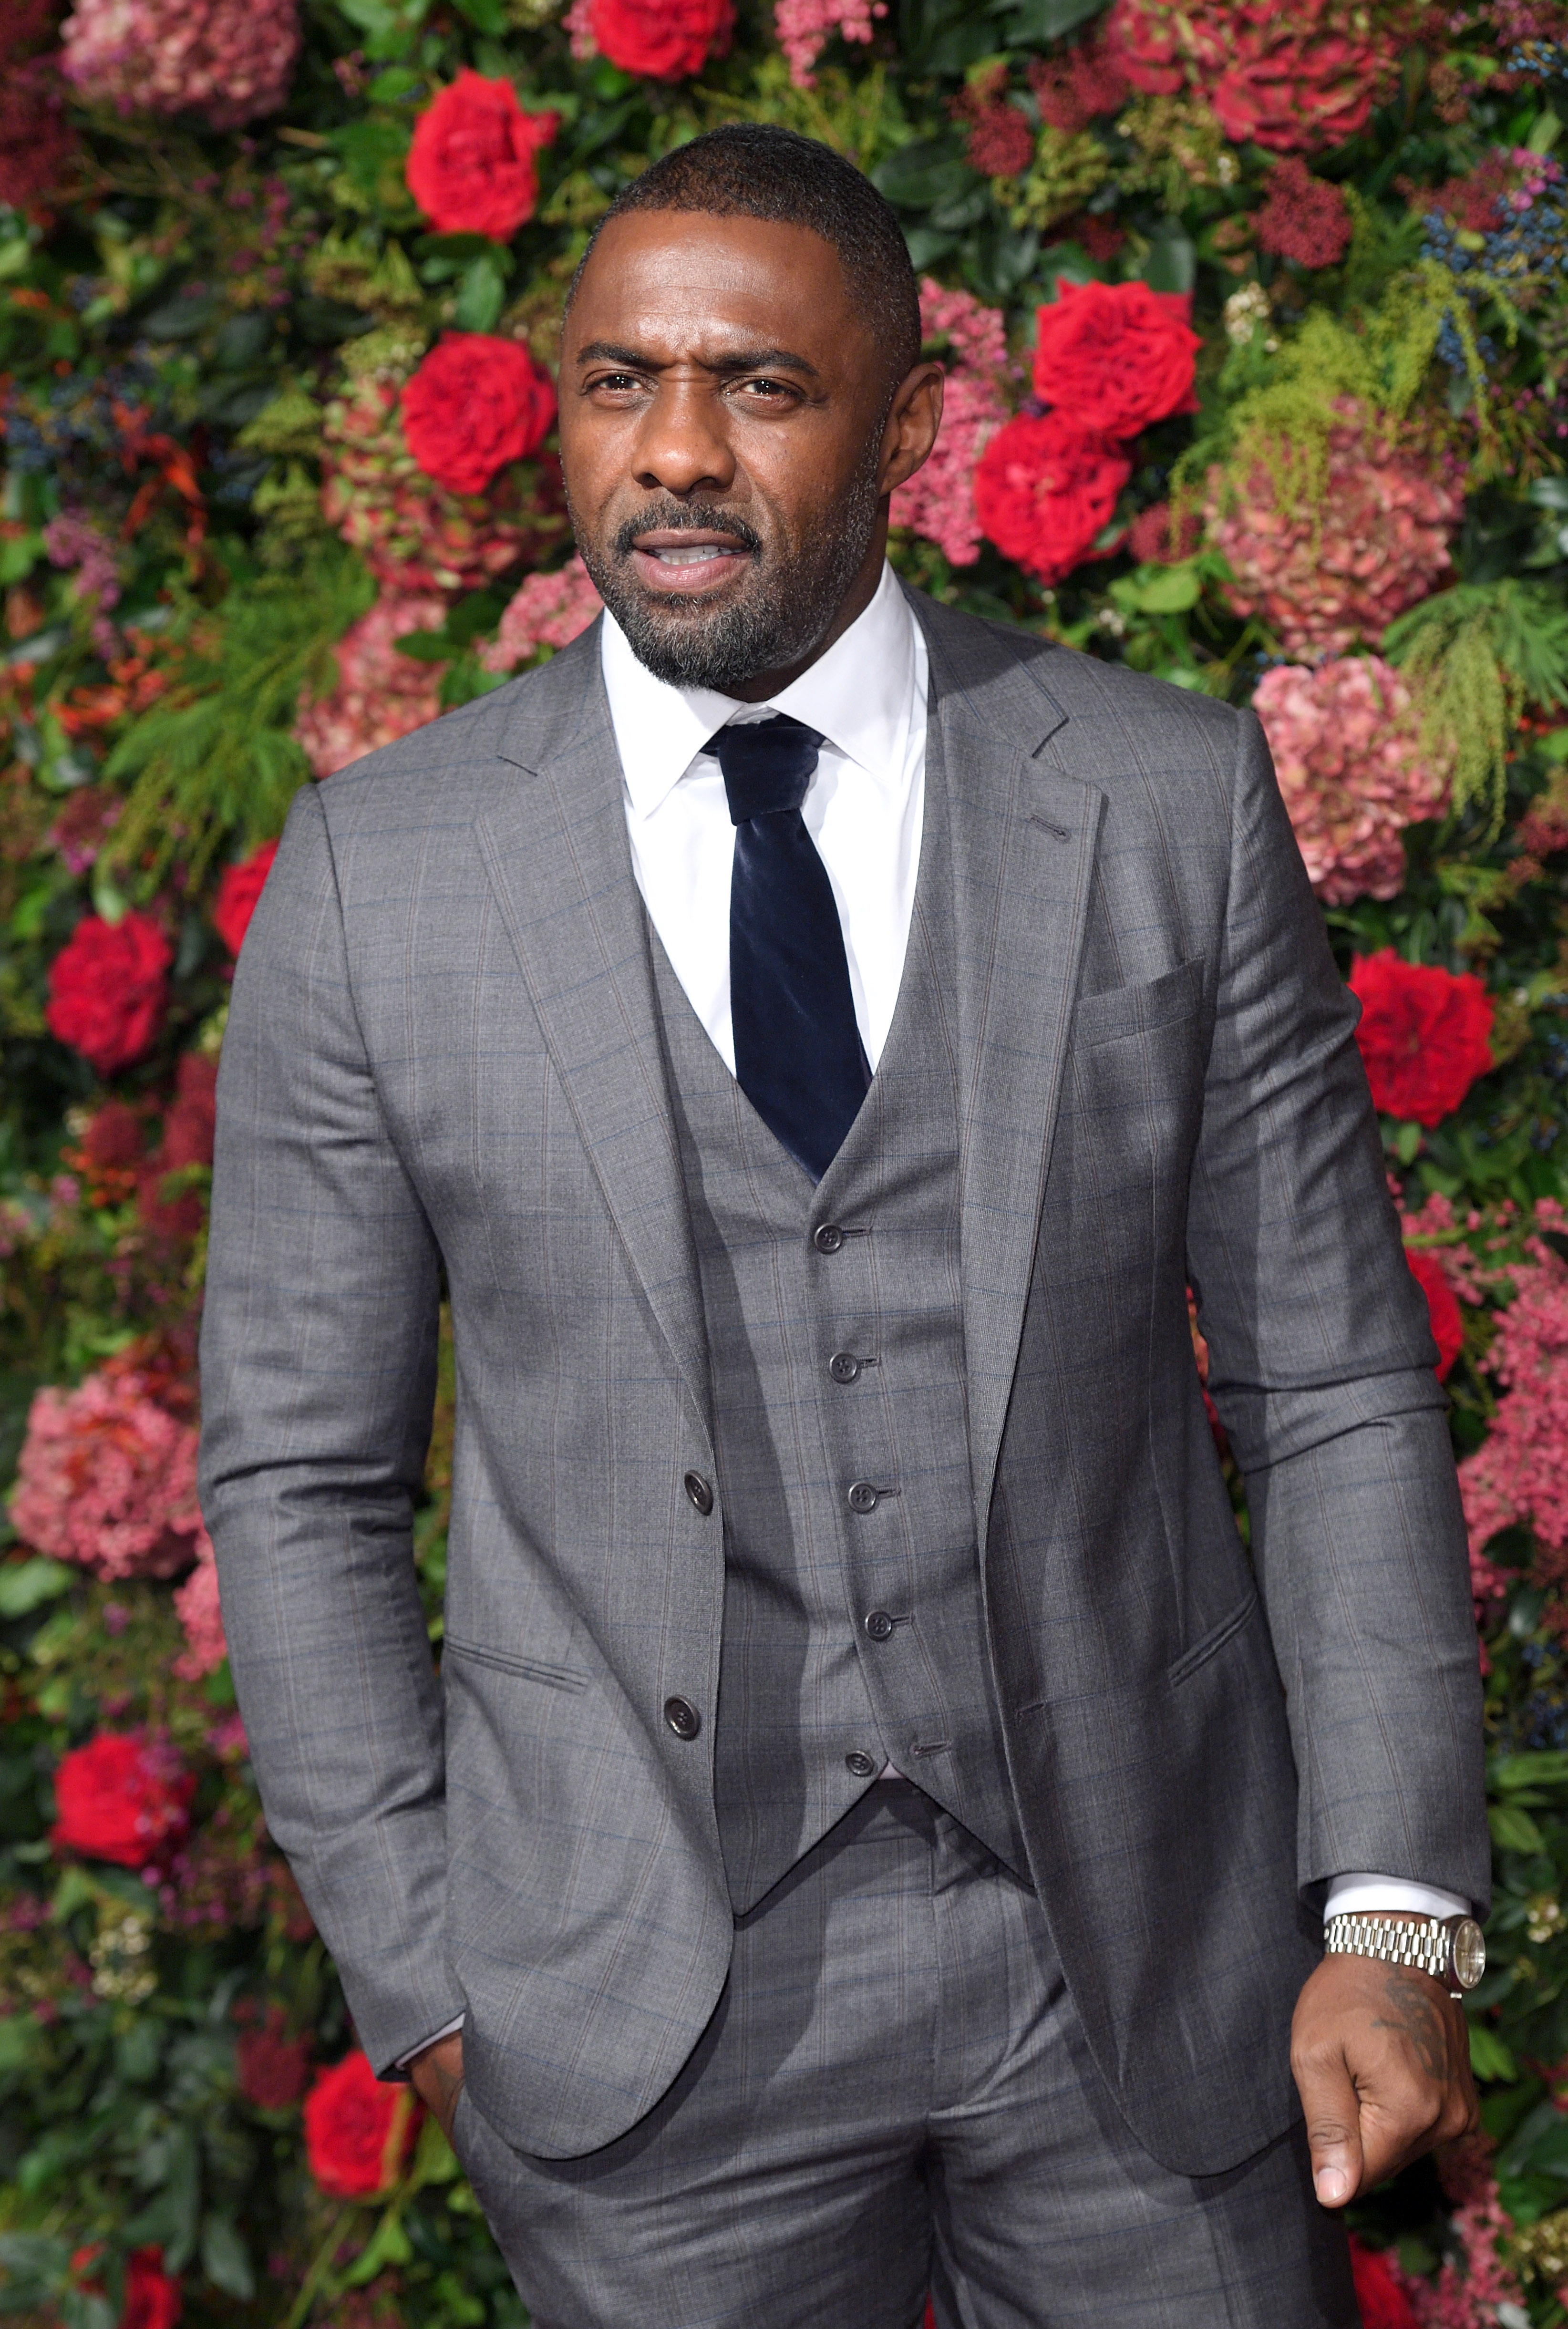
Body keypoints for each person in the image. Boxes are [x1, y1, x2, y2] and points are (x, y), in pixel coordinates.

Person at [199, 123, 1489, 2329]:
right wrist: (429, 1970)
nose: (675, 454)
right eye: (619, 385)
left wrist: (1385, 1917)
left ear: (906, 421)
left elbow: (1339, 1384)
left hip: (1137, 1965)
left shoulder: (1160, 799)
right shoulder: (376, 877)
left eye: (759, 390)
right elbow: (299, 1479)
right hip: (636, 2017)